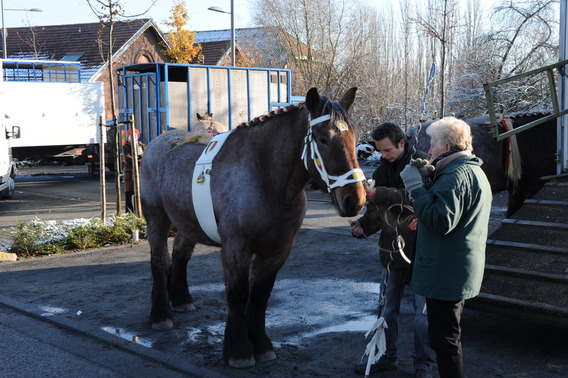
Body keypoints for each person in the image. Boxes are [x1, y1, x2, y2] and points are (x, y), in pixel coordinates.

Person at [400, 116, 492, 378]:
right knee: (445, 338)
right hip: (454, 268)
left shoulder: (455, 176)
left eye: (433, 146)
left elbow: (441, 222)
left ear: (448, 147)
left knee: (445, 341)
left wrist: (416, 187)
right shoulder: (470, 170)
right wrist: (429, 180)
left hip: (446, 271)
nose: (429, 151)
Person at [351, 122, 433, 377]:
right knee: (386, 310)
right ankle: (386, 357)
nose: (383, 155)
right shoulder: (384, 168)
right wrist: (363, 226)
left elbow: (419, 198)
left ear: (402, 143)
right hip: (391, 251)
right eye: (380, 151)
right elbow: (377, 210)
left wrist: (380, 193)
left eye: (387, 150)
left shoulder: (424, 164)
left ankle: (423, 365)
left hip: (422, 251)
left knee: (422, 317)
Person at [122, 128, 146, 213]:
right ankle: (129, 212)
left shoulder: (142, 146)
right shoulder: (126, 146)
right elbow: (128, 160)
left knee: (140, 194)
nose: (133, 137)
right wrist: (139, 158)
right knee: (130, 193)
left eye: (135, 135)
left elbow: (146, 158)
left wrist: (137, 158)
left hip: (141, 173)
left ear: (137, 136)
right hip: (130, 174)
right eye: (130, 136)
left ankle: (139, 211)